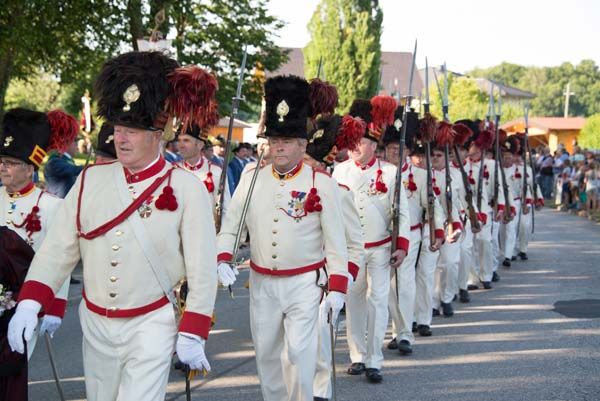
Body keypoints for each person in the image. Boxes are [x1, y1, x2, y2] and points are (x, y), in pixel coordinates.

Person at [8, 51, 219, 401]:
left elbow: (201, 268)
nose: (121, 139)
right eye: (118, 129)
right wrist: (31, 301)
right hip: (95, 322)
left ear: (159, 133)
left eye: (132, 131)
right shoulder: (90, 180)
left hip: (151, 323)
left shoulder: (187, 188)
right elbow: (58, 248)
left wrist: (194, 330)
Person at [217, 75, 349, 401]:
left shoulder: (322, 183)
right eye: (274, 139)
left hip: (305, 283)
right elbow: (231, 227)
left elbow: (335, 242)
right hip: (261, 283)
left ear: (303, 144)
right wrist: (223, 256)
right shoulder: (251, 179)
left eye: (287, 140)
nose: (279, 146)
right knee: (266, 356)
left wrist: (338, 287)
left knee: (300, 355)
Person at [0, 108, 77, 400]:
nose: (3, 168)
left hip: (25, 303)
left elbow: (61, 261)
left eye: (10, 162)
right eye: (1, 162)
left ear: (29, 167)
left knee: (12, 368)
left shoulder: (51, 207)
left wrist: (56, 307)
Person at [332, 97, 410, 383]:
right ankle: (357, 356)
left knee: (377, 301)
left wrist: (401, 246)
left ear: (374, 145)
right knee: (353, 303)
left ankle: (375, 359)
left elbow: (401, 212)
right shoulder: (339, 171)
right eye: (352, 142)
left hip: (380, 250)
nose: (355, 147)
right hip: (350, 251)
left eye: (361, 142)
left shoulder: (390, 173)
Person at [304, 112, 366, 401]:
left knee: (320, 342)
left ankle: (320, 393)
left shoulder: (338, 193)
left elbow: (354, 243)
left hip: (324, 280)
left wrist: (342, 282)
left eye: (311, 162)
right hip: (289, 278)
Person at [385, 108, 444, 353]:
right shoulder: (379, 173)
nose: (395, 153)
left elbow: (434, 207)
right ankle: (396, 329)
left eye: (400, 150)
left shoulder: (420, 175)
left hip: (411, 235)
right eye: (391, 149)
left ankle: (406, 333)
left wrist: (438, 231)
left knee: (404, 283)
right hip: (380, 237)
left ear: (409, 151)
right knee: (386, 288)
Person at [177, 124, 231, 216]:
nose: (181, 145)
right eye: (179, 140)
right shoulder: (174, 170)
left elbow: (225, 208)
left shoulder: (216, 172)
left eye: (186, 140)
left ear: (200, 145)